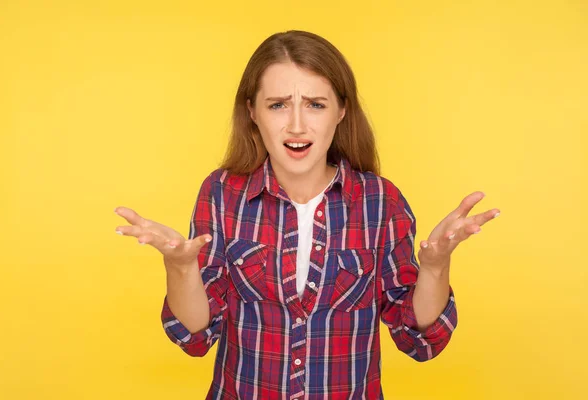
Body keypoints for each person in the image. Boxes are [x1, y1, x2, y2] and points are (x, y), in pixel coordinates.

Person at [114, 30, 500, 399]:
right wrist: (180, 268)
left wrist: (434, 269)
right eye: (278, 104)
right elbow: (196, 335)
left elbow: (417, 338)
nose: (297, 125)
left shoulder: (380, 202)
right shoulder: (221, 194)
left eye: (315, 104)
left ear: (341, 111)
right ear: (252, 111)